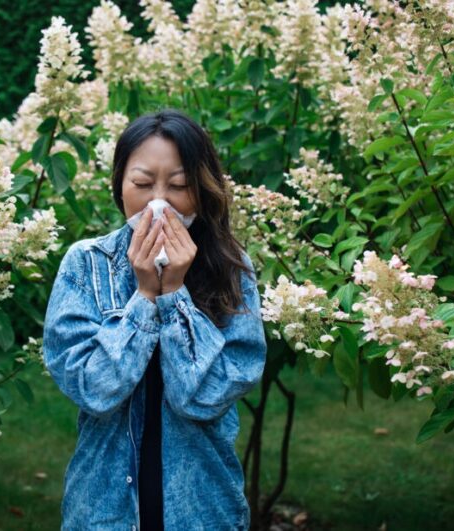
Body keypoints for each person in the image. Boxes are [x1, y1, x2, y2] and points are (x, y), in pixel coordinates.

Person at [43, 108, 267, 530]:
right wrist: (145, 296)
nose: (159, 201)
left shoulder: (232, 270)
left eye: (179, 185)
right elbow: (93, 388)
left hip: (202, 506)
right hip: (103, 507)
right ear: (120, 185)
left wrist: (175, 293)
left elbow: (204, 396)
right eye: (143, 184)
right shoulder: (85, 265)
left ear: (201, 192)